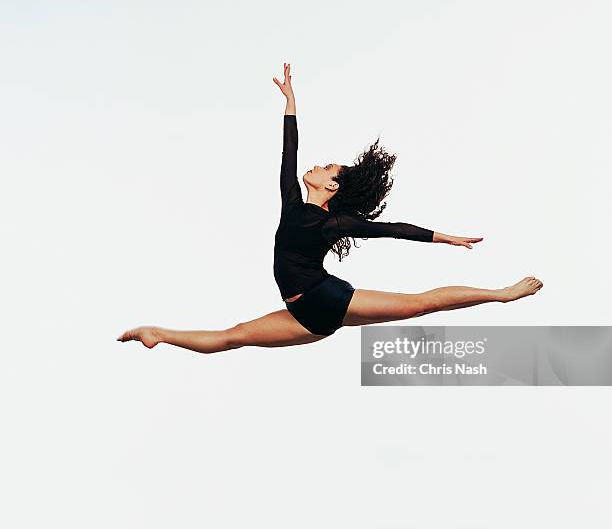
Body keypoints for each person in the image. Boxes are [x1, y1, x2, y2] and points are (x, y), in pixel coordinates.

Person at [117, 63, 543, 352]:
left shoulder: (332, 223)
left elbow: (393, 229)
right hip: (306, 317)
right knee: (234, 338)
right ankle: (158, 334)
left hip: (327, 298)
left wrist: (443, 237)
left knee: (420, 304)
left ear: (332, 185)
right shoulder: (291, 204)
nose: (316, 165)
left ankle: (501, 295)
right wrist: (290, 103)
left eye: (326, 167)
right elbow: (289, 152)